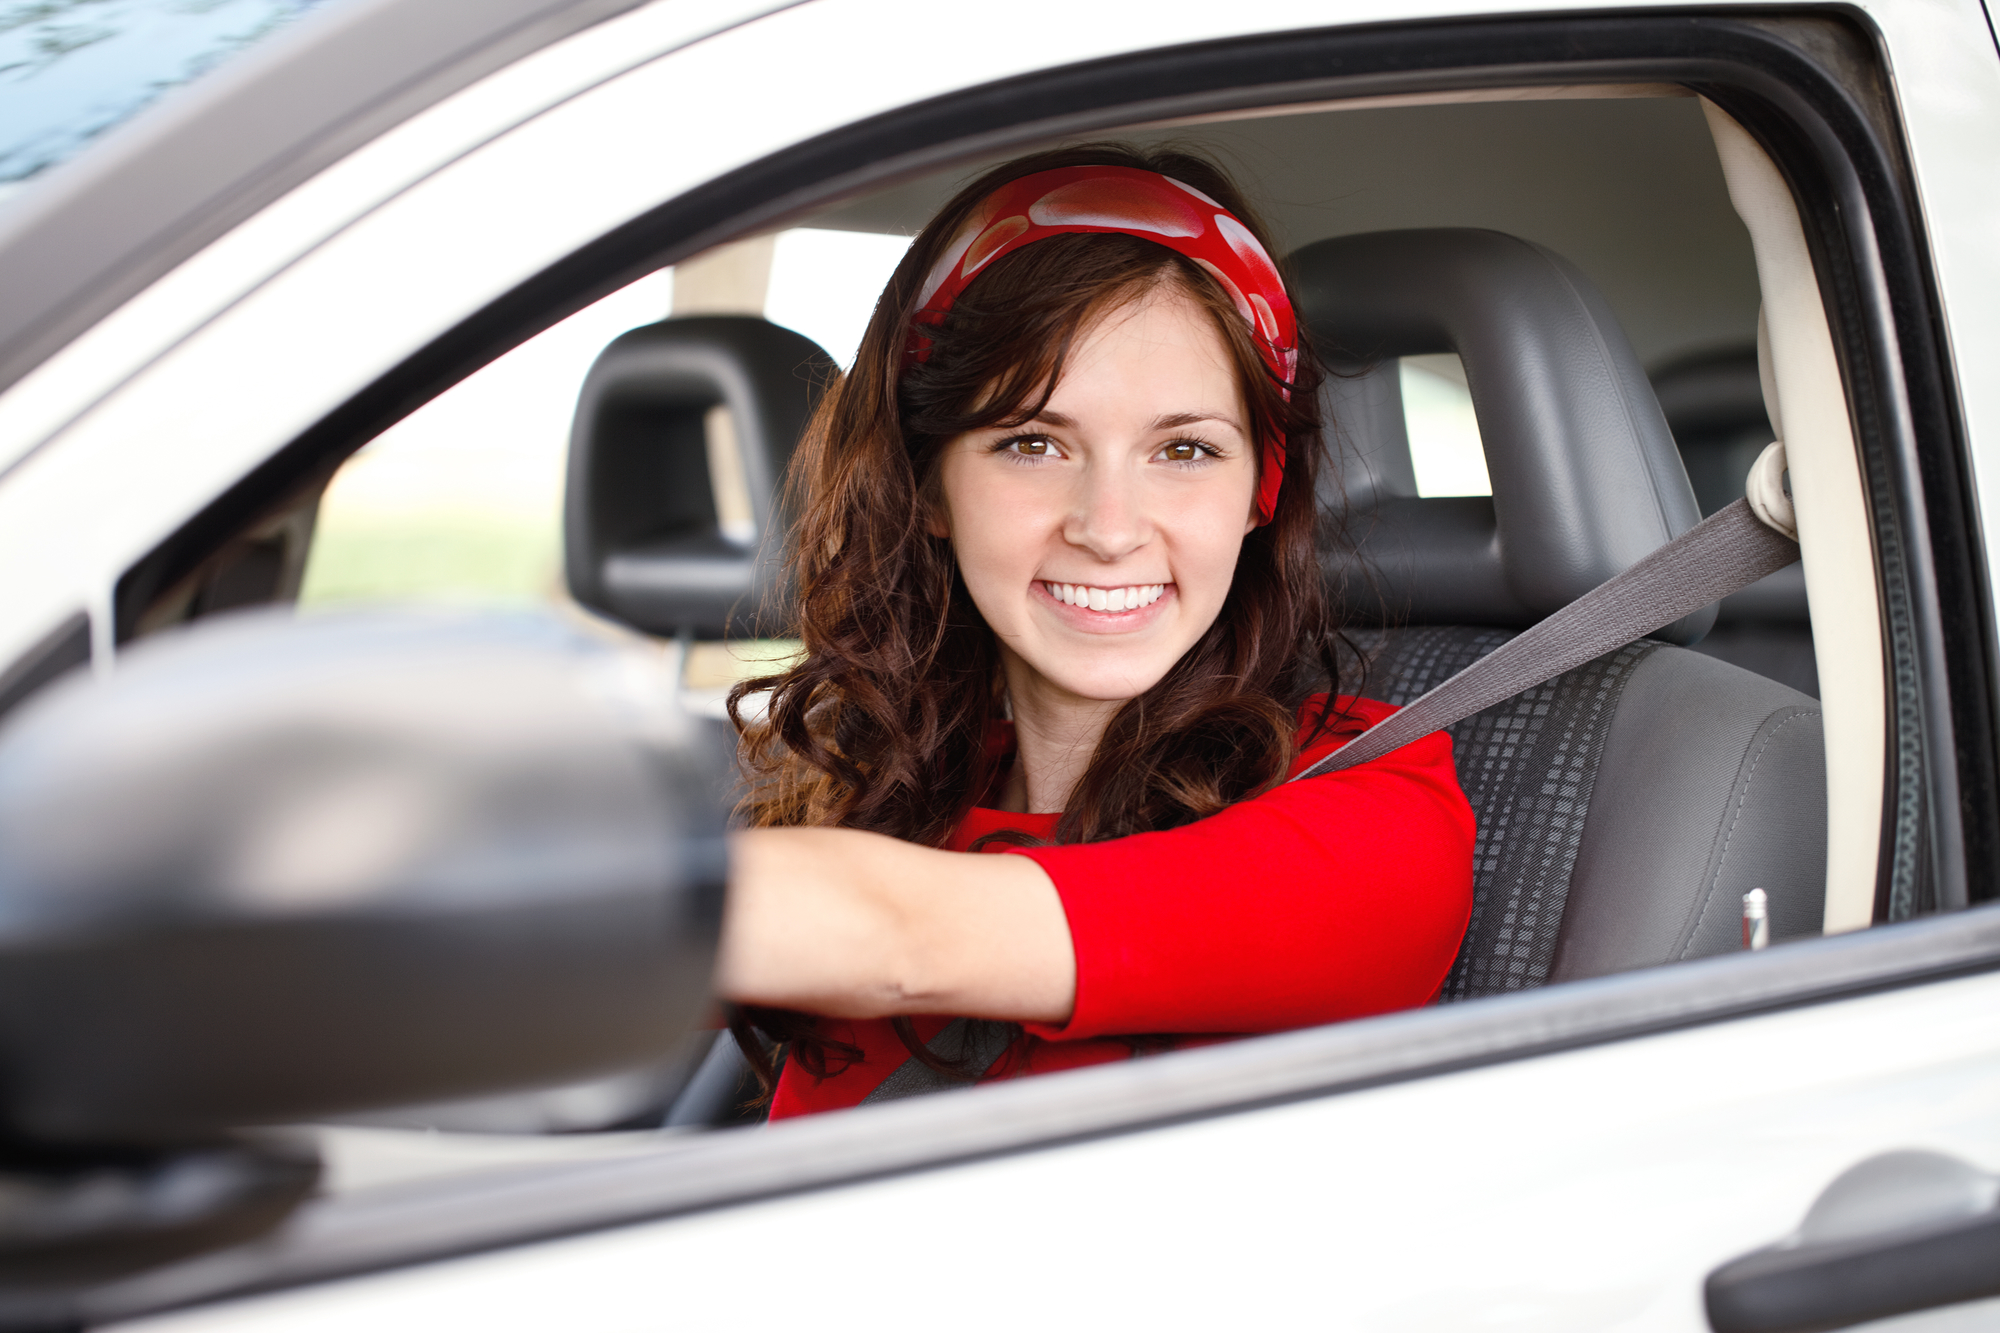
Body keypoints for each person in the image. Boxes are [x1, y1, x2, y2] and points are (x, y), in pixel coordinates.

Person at [715, 145, 1473, 1120]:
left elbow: (897, 937)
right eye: (1032, 442)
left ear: (1260, 489)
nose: (1108, 528)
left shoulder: (1380, 816)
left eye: (1184, 448)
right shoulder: (883, 793)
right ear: (929, 484)